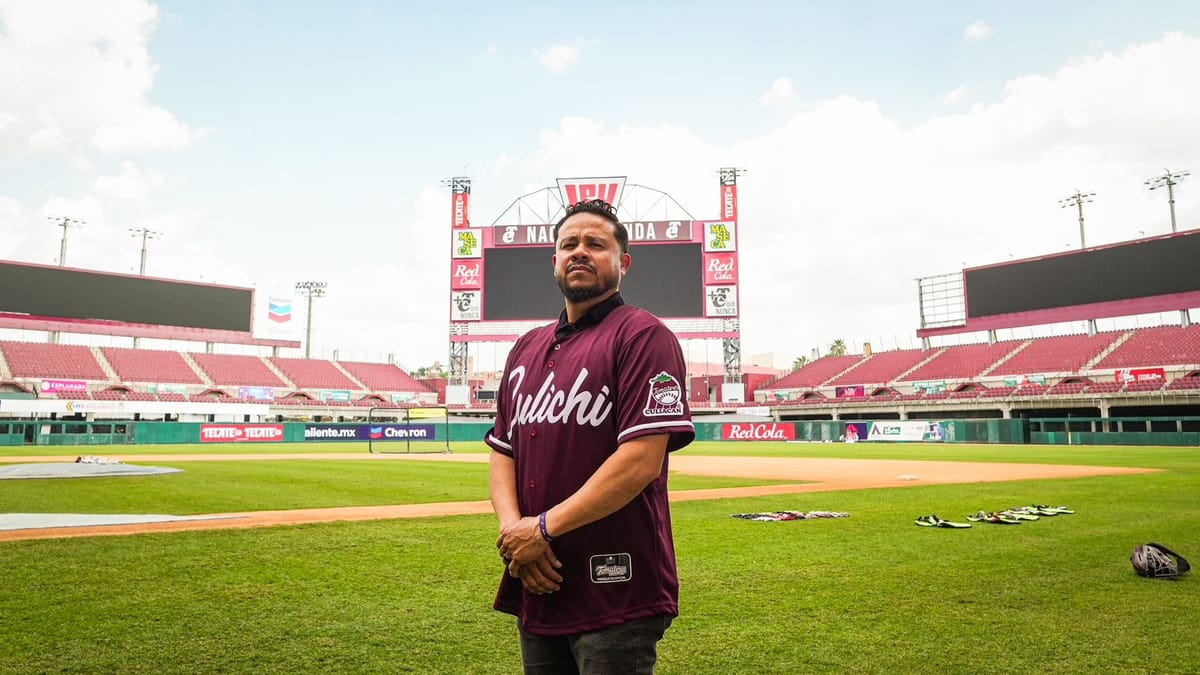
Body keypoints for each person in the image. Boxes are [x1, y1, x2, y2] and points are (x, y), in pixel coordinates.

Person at [486, 199, 695, 674]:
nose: (580, 251)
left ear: (623, 263)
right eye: (569, 244)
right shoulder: (526, 347)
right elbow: (503, 451)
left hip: (616, 585)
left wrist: (540, 528)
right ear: (554, 261)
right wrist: (515, 533)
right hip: (539, 578)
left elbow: (641, 461)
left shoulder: (643, 336)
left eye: (596, 244)